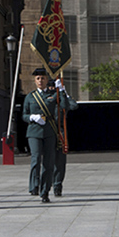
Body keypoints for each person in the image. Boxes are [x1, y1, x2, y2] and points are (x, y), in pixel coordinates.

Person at [23, 67, 59, 202]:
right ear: (35, 80)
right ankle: (34, 185)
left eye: (43, 78)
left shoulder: (53, 95)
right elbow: (24, 115)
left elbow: (65, 105)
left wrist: (61, 91)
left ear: (47, 80)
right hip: (34, 131)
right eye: (38, 78)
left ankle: (45, 191)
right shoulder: (30, 96)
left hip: (49, 130)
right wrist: (32, 117)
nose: (40, 81)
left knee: (48, 163)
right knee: (36, 158)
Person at [52, 78, 77, 197]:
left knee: (60, 161)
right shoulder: (45, 97)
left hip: (60, 130)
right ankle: (42, 185)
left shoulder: (63, 99)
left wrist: (63, 93)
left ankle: (57, 185)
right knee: (46, 161)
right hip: (47, 130)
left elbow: (73, 106)